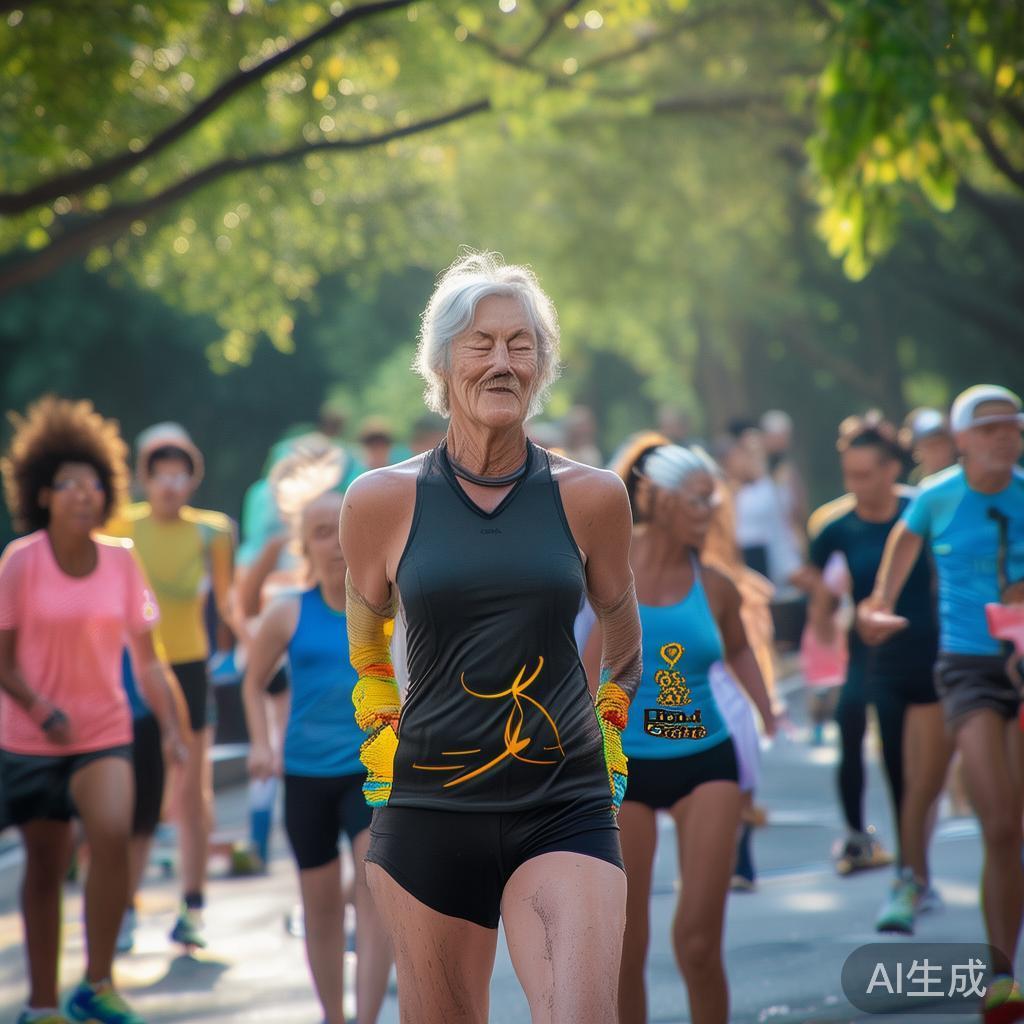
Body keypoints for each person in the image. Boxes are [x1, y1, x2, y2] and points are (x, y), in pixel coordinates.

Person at [340, 251, 641, 1024]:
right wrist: (377, 723)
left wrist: (609, 724)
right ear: (442, 363)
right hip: (428, 813)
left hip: (564, 802)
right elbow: (367, 631)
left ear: (543, 364)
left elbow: (621, 626)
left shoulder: (593, 497)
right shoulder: (380, 500)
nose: (503, 362)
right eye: (481, 343)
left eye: (522, 344)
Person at [0, 396, 186, 1024]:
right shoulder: (19, 562)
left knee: (110, 832)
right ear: (43, 495)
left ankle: (97, 983)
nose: (82, 494)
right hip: (29, 738)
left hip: (103, 730)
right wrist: (38, 705)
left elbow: (150, 658)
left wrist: (172, 724)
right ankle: (44, 1003)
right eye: (67, 484)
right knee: (45, 867)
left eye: (92, 484)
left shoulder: (122, 560)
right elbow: (2, 663)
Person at [591, 436, 775, 1024]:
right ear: (661, 500)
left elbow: (741, 651)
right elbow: (583, 665)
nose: (710, 511)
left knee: (698, 943)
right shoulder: (606, 573)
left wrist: (770, 716)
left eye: (713, 500)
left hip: (707, 760)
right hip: (627, 767)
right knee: (626, 945)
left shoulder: (716, 583)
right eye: (698, 500)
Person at [860, 385, 1024, 1021]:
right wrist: (877, 610)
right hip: (967, 670)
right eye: (988, 430)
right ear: (960, 440)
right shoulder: (936, 498)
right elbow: (894, 568)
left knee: (1019, 827)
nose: (1003, 438)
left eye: (1011, 427)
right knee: (1001, 823)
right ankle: (1001, 978)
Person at [243, 451, 392, 1024]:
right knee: (321, 905)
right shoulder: (287, 613)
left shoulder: (387, 611)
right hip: (304, 776)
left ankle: (367, 1019)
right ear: (305, 545)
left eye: (342, 529)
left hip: (370, 771)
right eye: (320, 533)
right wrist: (261, 744)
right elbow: (252, 684)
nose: (333, 542)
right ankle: (335, 1016)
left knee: (376, 892)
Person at [807, 413, 950, 933]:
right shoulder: (835, 524)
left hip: (931, 651)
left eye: (867, 474)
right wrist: (822, 622)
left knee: (916, 778)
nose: (857, 486)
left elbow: (946, 575)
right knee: (865, 736)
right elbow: (819, 581)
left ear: (893, 469)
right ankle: (880, 850)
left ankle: (916, 872)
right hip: (872, 653)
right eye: (850, 475)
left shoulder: (923, 510)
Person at [104, 423, 235, 950]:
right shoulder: (119, 526)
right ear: (144, 479)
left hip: (189, 666)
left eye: (181, 475)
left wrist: (252, 645)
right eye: (161, 475)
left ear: (192, 481)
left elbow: (227, 604)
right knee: (136, 789)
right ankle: (126, 907)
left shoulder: (213, 532)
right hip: (132, 672)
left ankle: (193, 906)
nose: (170, 485)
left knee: (193, 788)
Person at [900, 407, 958, 484]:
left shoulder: (970, 477)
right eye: (930, 446)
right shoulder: (913, 484)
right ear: (916, 451)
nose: (939, 451)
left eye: (943, 443)